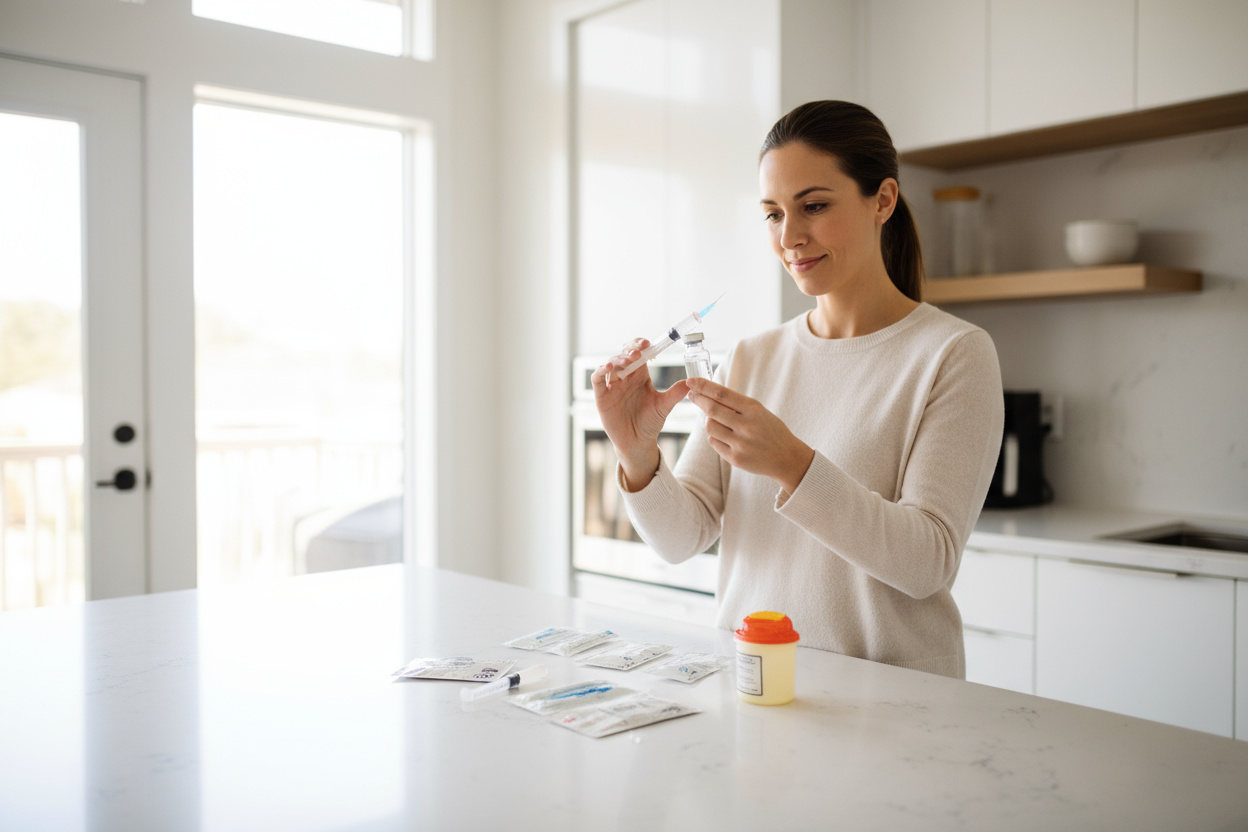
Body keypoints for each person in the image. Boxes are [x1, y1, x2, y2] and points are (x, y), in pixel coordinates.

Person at [590, 100, 1004, 679]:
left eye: (813, 206)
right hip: (756, 685)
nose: (790, 237)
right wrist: (636, 453)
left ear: (881, 200)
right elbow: (682, 538)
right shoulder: (753, 356)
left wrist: (793, 465)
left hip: (893, 705)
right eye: (772, 213)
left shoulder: (953, 354)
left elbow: (927, 561)